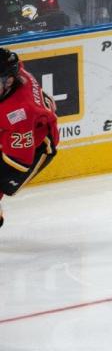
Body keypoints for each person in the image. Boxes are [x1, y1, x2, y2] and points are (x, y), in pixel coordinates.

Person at [0, 48, 60, 228]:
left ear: (9, 81)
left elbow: (18, 161)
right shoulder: (14, 71)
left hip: (36, 146)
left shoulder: (19, 112)